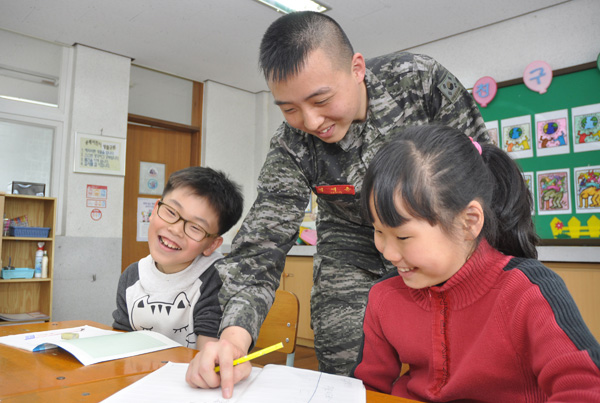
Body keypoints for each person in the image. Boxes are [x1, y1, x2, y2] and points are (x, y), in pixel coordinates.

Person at [186, 11, 487, 396]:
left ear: (357, 68)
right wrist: (232, 337)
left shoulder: (418, 82)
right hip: (350, 242)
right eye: (290, 109)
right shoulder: (292, 145)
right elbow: (262, 242)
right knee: (343, 361)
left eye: (321, 100)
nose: (311, 121)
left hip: (439, 237)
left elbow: (484, 174)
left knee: (465, 360)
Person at [352, 125, 600, 401]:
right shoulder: (385, 295)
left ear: (468, 222)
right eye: (378, 231)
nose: (388, 252)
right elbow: (366, 389)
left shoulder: (527, 292)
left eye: (403, 236)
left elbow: (585, 388)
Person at [112, 167, 244, 349]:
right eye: (171, 212)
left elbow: (207, 353)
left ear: (212, 245)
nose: (175, 230)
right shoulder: (132, 276)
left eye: (195, 227)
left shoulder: (216, 280)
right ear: (154, 210)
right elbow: (121, 341)